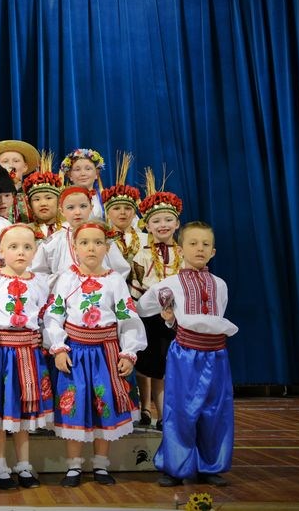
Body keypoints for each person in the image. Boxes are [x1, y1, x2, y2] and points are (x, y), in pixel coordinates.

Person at [43, 220, 146, 486]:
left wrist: (128, 352)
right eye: (85, 243)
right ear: (75, 247)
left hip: (106, 354)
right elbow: (54, 316)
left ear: (107, 247)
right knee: (74, 405)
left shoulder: (114, 281)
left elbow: (128, 317)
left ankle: (101, 465)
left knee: (105, 405)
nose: (91, 248)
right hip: (75, 354)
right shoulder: (66, 279)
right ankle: (74, 466)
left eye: (98, 243)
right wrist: (58, 348)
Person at [136, 221, 237, 488]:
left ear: (213, 252)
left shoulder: (220, 284)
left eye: (205, 244)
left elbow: (218, 316)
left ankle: (209, 465)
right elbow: (142, 308)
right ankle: (175, 466)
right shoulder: (168, 285)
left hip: (216, 354)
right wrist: (168, 319)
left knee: (216, 410)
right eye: (193, 243)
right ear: (181, 249)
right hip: (185, 354)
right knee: (180, 409)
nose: (199, 248)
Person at [0, 224, 52, 490]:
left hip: (27, 353)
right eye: (14, 247)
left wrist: (45, 337)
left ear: (35, 251)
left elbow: (47, 316)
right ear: (0, 250)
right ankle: (0, 465)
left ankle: (24, 465)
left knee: (22, 412)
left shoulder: (40, 282)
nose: (20, 252)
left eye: (27, 247)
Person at [130, 168, 184, 430]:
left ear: (176, 224)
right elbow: (137, 286)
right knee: (146, 362)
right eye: (156, 221)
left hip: (176, 318)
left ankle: (165, 413)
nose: (162, 225)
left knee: (166, 365)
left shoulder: (183, 253)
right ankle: (144, 408)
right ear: (147, 225)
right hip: (148, 317)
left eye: (167, 220)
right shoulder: (141, 255)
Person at [31, 186, 130, 290]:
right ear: (61, 211)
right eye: (71, 208)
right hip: (64, 297)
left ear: (91, 207)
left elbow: (121, 269)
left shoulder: (103, 237)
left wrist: (108, 287)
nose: (77, 212)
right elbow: (38, 272)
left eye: (83, 206)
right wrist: (58, 282)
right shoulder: (54, 241)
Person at [0, 140, 40, 223]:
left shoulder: (33, 195)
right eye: (5, 161)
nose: (11, 165)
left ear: (25, 166)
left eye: (16, 161)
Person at [101, 153, 143, 266]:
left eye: (128, 208)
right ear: (108, 214)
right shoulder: (103, 241)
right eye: (116, 208)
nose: (122, 212)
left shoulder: (146, 240)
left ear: (135, 214)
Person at [22, 152, 63, 240]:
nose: (43, 203)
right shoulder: (24, 232)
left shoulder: (69, 230)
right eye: (36, 199)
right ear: (29, 205)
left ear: (59, 202)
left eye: (48, 198)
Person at [59, 148, 105, 219]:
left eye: (88, 169)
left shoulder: (103, 198)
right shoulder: (63, 199)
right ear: (70, 176)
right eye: (77, 169)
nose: (83, 174)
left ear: (96, 174)